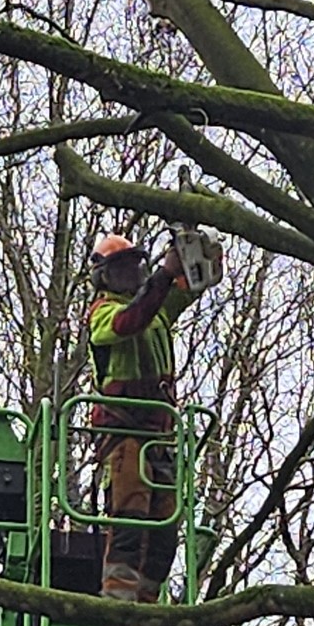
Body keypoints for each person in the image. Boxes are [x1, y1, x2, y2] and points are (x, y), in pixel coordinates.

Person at [84, 229, 204, 602]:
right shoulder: (103, 314)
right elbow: (128, 322)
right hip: (124, 430)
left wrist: (198, 249)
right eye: (122, 267)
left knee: (165, 524)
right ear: (104, 276)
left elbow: (191, 286)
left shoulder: (156, 312)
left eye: (135, 265)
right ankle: (118, 595)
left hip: (159, 434)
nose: (131, 273)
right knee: (130, 515)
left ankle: (149, 600)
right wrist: (164, 274)